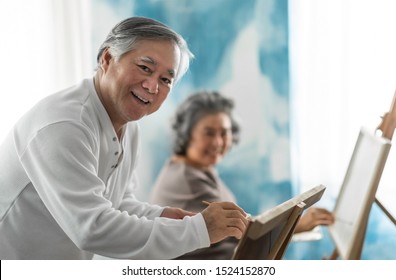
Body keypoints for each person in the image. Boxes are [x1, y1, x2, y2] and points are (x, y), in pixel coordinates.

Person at [0, 17, 249, 260]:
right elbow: (92, 228)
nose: (152, 87)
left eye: (165, 80)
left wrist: (161, 216)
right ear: (107, 59)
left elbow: (117, 202)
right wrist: (198, 230)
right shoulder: (64, 124)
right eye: (145, 68)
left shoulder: (127, 125)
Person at [150, 91, 335, 259]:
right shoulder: (188, 181)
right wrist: (299, 224)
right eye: (209, 133)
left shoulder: (196, 168)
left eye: (224, 133)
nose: (218, 142)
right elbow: (243, 231)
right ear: (187, 134)